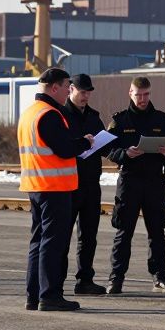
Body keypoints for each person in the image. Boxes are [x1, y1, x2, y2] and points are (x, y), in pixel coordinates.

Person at [19, 67, 93, 311]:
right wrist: (85, 143)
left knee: (38, 241)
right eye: (66, 87)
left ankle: (34, 295)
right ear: (54, 88)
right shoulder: (49, 114)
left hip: (36, 185)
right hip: (54, 188)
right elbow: (63, 148)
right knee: (52, 243)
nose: (68, 92)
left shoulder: (30, 113)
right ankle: (49, 295)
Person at [105, 76, 165, 294]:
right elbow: (108, 150)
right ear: (130, 93)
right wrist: (124, 153)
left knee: (157, 232)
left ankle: (160, 277)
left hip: (154, 181)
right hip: (130, 181)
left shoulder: (161, 119)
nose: (143, 99)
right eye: (139, 95)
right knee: (123, 231)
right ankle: (116, 279)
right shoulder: (120, 120)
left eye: (146, 95)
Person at [62, 73, 108, 296]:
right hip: (69, 183)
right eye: (82, 91)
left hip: (91, 183)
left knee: (89, 235)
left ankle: (85, 280)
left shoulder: (93, 116)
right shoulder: (61, 115)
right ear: (71, 89)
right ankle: (56, 280)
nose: (86, 96)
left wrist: (121, 151)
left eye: (89, 92)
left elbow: (104, 145)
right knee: (63, 234)